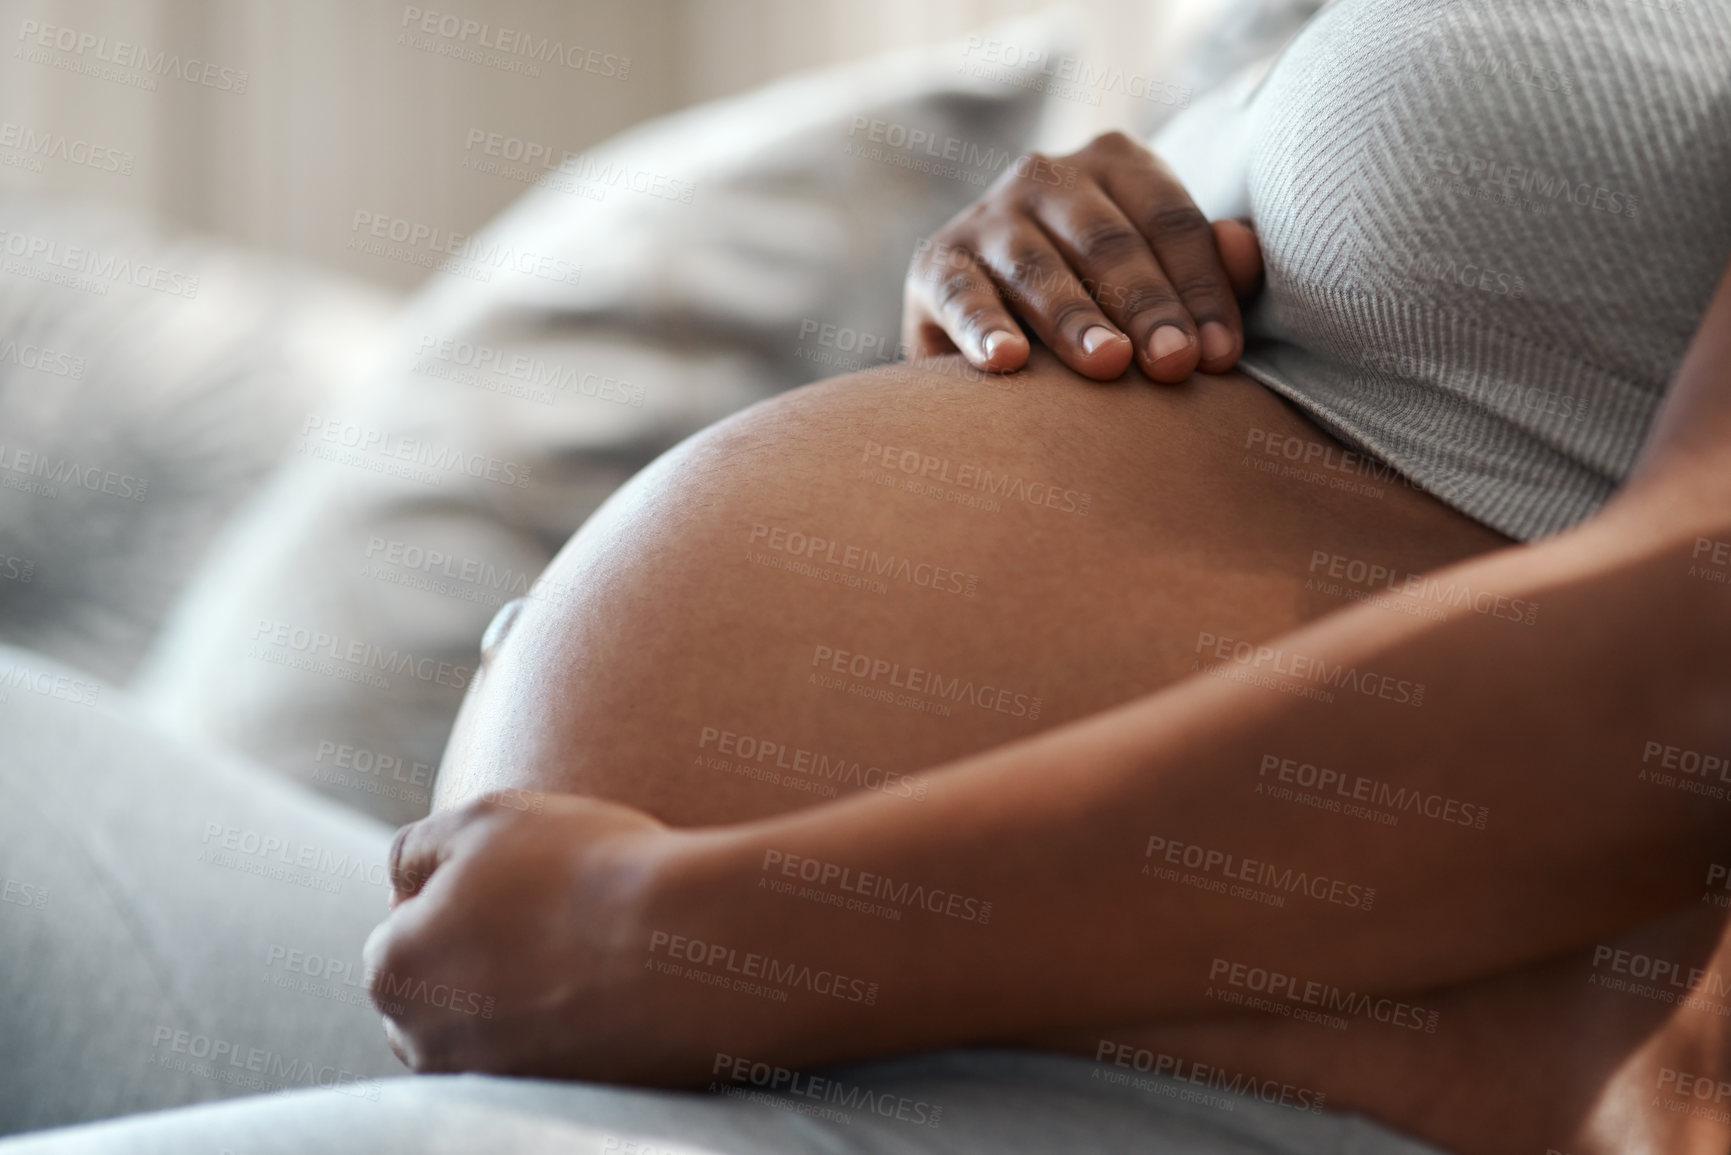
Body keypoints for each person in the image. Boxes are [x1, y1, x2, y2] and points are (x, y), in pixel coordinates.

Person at [5, 1, 1729, 1153]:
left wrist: (667, 941)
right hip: (728, 989)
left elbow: (1694, 665)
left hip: (1104, 1031)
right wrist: (1051, 269)